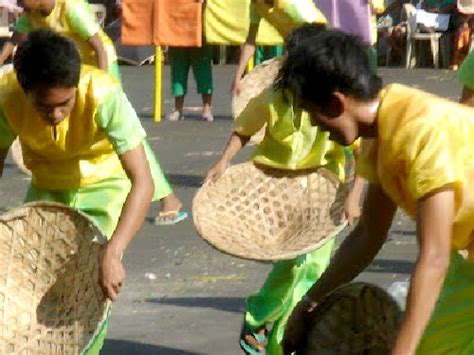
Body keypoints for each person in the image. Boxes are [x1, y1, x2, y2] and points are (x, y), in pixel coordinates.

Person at [276, 28, 474, 354]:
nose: (317, 128)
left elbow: (435, 257)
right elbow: (369, 233)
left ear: (337, 102)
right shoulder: (383, 127)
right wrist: (310, 301)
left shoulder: (421, 132)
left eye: (314, 117)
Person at [0, 29, 179, 352]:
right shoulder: (6, 96)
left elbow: (143, 180)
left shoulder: (103, 92)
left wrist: (114, 250)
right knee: (24, 285)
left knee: (90, 289)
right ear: (25, 90)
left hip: (104, 188)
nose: (55, 115)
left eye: (64, 104)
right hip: (46, 188)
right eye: (43, 106)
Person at [206, 24, 365, 355]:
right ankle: (262, 317)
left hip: (325, 191)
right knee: (294, 262)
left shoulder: (334, 103)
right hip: (279, 190)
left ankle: (280, 339)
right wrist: (222, 162)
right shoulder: (273, 98)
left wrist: (353, 196)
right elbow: (243, 130)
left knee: (312, 266)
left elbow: (363, 153)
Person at [0, 0, 119, 80]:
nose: (20, 6)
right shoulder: (30, 14)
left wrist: (103, 79)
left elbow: (98, 46)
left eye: (22, 1)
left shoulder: (71, 8)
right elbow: (13, 41)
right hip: (74, 62)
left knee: (105, 106)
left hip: (101, 58)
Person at [231, 0, 327, 95]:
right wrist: (238, 77)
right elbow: (250, 43)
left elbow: (317, 31)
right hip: (295, 45)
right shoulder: (256, 6)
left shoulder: (290, 5)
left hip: (315, 40)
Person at [167, 45, 214, 122]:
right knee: (178, 68)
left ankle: (207, 108)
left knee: (203, 69)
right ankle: (177, 109)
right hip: (179, 36)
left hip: (200, 36)